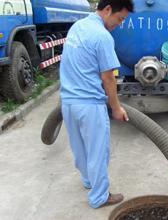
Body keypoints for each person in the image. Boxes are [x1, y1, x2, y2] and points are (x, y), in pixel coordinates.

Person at [59, 0, 134, 209]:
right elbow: (108, 77)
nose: (119, 24)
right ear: (108, 9)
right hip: (90, 104)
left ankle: (88, 181)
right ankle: (100, 197)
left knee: (79, 147)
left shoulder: (78, 27)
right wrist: (117, 108)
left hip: (68, 102)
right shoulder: (102, 36)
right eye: (120, 19)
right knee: (98, 152)